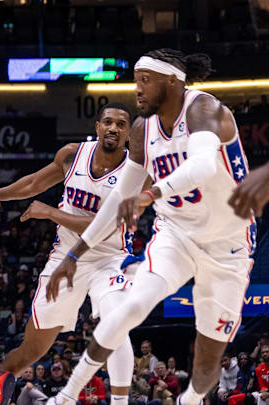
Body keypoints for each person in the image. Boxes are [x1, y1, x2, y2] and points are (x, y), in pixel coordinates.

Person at [44, 48, 255, 405]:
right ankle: (65, 396)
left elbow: (202, 166)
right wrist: (75, 255)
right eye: (135, 81)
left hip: (227, 243)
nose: (137, 90)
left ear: (172, 82)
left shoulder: (204, 109)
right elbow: (117, 201)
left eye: (145, 81)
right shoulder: (142, 130)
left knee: (206, 362)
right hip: (176, 233)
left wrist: (152, 193)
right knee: (131, 306)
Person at [0, 101, 138, 405]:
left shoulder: (134, 172)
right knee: (32, 350)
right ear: (97, 127)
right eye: (108, 122)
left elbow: (103, 225)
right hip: (64, 258)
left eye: (121, 124)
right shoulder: (72, 155)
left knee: (116, 321)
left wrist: (51, 213)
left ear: (129, 133)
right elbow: (34, 183)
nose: (113, 128)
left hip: (110, 258)